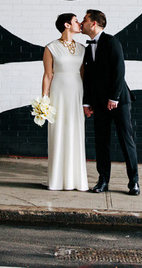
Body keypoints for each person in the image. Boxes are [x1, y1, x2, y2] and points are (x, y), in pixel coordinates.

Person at [81, 9, 140, 196]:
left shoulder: (112, 41)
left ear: (94, 24)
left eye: (84, 20)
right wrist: (87, 102)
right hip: (98, 103)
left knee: (126, 141)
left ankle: (134, 183)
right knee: (101, 142)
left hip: (119, 101)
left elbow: (119, 71)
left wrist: (114, 98)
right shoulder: (88, 47)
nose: (81, 23)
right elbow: (88, 78)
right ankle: (103, 180)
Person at [41, 13, 89, 191]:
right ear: (66, 25)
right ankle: (57, 180)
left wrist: (87, 99)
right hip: (58, 92)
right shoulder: (51, 47)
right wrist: (44, 100)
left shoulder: (82, 48)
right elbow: (48, 75)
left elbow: (83, 75)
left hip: (76, 91)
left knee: (75, 131)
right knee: (59, 131)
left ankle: (76, 180)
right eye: (76, 21)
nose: (80, 24)